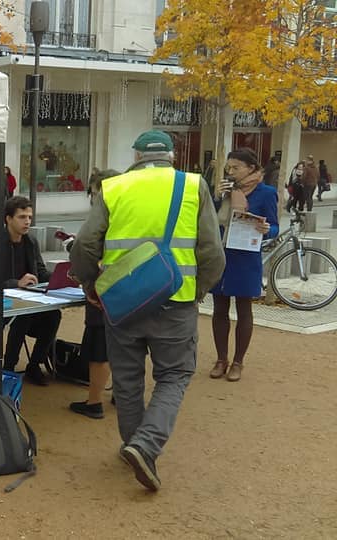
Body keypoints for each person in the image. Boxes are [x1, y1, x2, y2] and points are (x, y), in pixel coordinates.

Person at [69, 130, 225, 491]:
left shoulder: (114, 188)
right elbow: (213, 254)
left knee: (126, 381)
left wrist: (92, 286)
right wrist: (198, 290)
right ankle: (145, 446)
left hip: (124, 303)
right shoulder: (192, 185)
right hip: (176, 301)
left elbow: (84, 246)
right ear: (171, 156)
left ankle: (133, 445)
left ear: (136, 155)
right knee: (174, 375)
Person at [0, 196, 59, 387]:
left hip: (29, 301)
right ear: (8, 219)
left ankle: (34, 364)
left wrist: (61, 276)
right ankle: (9, 368)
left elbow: (41, 272)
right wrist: (16, 283)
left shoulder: (31, 242)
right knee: (23, 315)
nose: (27, 221)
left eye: (29, 217)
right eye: (22, 217)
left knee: (54, 315)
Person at [209, 148, 278, 382]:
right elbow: (209, 220)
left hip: (246, 257)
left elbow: (275, 226)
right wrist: (217, 198)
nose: (231, 172)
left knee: (244, 309)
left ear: (251, 168)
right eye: (228, 168)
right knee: (219, 308)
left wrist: (267, 229)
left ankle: (238, 362)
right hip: (222, 254)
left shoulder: (266, 192)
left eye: (235, 167)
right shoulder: (223, 190)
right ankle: (221, 359)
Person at [66, 169, 120, 419]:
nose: (94, 198)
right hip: (131, 286)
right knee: (127, 343)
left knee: (100, 345)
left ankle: (94, 401)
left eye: (97, 192)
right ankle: (123, 393)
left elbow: (87, 247)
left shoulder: (104, 214)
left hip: (103, 287)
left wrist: (86, 281)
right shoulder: (130, 214)